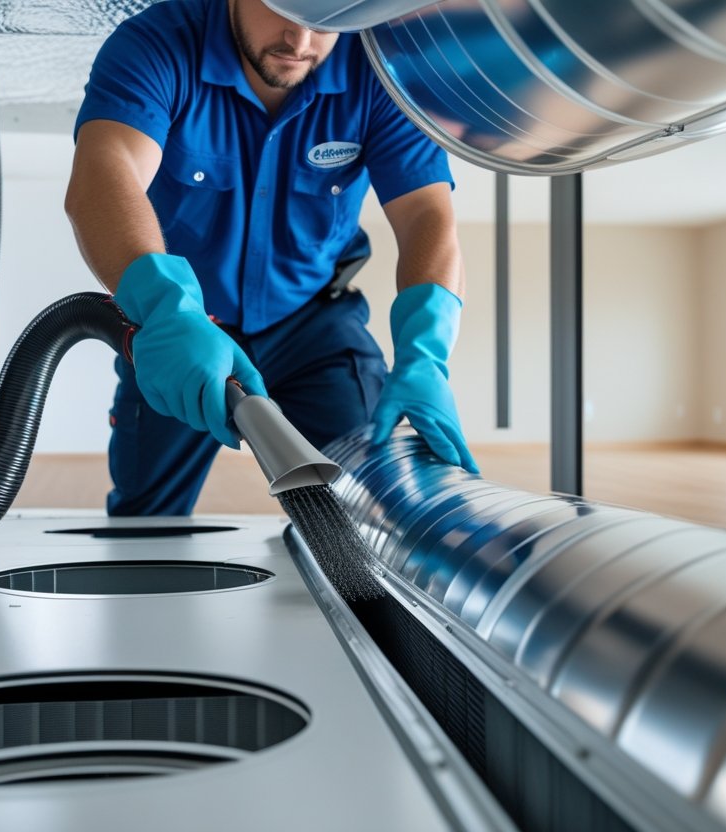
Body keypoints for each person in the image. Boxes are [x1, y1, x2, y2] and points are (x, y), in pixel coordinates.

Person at [65, 0, 478, 516]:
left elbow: (426, 215)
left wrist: (426, 352)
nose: (301, 41)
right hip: (184, 324)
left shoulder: (382, 69)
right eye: (285, 7)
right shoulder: (156, 44)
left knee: (366, 507)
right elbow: (104, 178)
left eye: (327, 21)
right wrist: (168, 310)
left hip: (312, 322)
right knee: (146, 519)